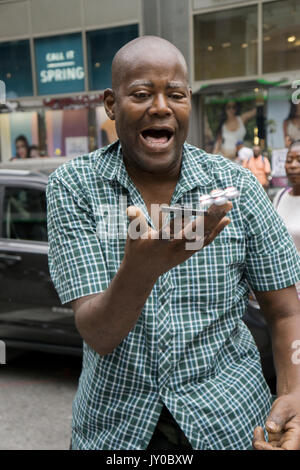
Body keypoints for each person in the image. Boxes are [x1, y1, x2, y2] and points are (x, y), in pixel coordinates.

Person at [46, 36, 300, 451]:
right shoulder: (74, 187)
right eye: (142, 94)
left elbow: (285, 309)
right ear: (111, 104)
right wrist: (141, 271)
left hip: (231, 426)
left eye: (175, 94)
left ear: (188, 103)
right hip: (116, 431)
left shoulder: (236, 187)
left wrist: (292, 393)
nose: (161, 107)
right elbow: (99, 334)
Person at [273, 140, 300, 299]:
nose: (293, 165)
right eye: (289, 160)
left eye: (299, 160)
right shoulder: (280, 196)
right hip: (283, 288)